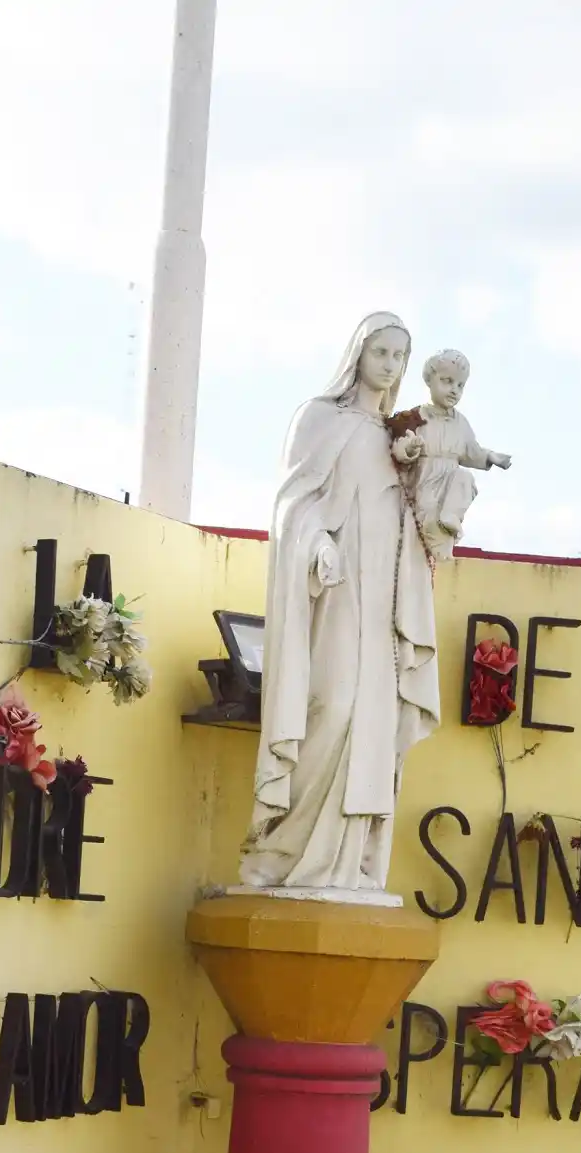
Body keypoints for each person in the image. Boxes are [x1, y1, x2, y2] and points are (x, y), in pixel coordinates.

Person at [239, 314, 439, 896]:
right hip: (335, 588)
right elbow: (292, 505)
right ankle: (283, 851)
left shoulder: (400, 435)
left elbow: (423, 524)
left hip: (385, 598)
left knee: (374, 722)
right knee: (331, 706)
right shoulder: (320, 419)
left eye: (400, 356)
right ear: (358, 352)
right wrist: (318, 542)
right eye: (381, 351)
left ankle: (350, 864)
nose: (390, 364)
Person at [397, 349, 510, 558]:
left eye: (460, 385)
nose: (454, 390)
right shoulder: (414, 417)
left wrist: (490, 456)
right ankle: (435, 547)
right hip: (424, 478)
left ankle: (450, 518)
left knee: (465, 479)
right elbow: (398, 448)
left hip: (450, 478)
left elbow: (471, 450)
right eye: (447, 381)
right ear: (430, 380)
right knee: (427, 514)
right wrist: (409, 449)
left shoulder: (461, 423)